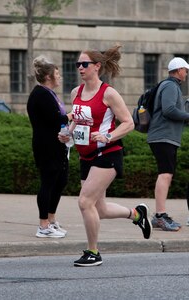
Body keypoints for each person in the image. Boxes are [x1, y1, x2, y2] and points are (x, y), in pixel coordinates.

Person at [59, 45, 152, 267]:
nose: (80, 68)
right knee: (98, 209)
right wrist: (67, 134)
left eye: (84, 64)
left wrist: (108, 136)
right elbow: (78, 119)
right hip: (86, 156)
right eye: (78, 64)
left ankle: (93, 252)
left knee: (84, 202)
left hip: (108, 154)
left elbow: (129, 123)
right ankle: (137, 215)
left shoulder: (108, 93)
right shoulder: (76, 92)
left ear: (97, 67)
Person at [27, 55, 72, 238]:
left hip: (58, 145)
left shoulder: (49, 94)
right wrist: (74, 114)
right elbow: (56, 119)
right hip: (46, 146)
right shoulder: (40, 94)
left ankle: (52, 220)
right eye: (57, 74)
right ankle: (43, 225)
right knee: (48, 183)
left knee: (60, 181)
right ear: (48, 77)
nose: (60, 77)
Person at [147, 57, 189, 231]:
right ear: (178, 70)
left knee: (166, 174)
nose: (186, 73)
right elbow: (169, 109)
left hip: (164, 137)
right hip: (163, 137)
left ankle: (160, 215)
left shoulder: (170, 85)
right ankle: (160, 215)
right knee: (165, 174)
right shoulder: (171, 86)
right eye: (185, 70)